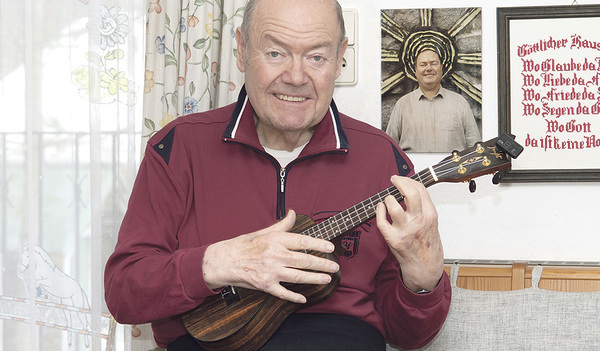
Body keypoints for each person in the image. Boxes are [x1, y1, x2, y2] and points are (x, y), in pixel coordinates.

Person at [104, 0, 451, 350]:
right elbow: (123, 294)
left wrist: (422, 280)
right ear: (241, 50)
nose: (296, 77)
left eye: (316, 57)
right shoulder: (177, 146)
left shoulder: (383, 159)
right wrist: (221, 262)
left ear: (339, 57)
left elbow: (409, 337)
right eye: (275, 53)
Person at [386, 49, 481, 153]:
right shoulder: (402, 105)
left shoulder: (459, 103)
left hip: (452, 168)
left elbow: (475, 148)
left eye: (433, 64)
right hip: (414, 169)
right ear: (415, 71)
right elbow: (389, 149)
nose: (429, 68)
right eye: (423, 65)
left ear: (441, 69)